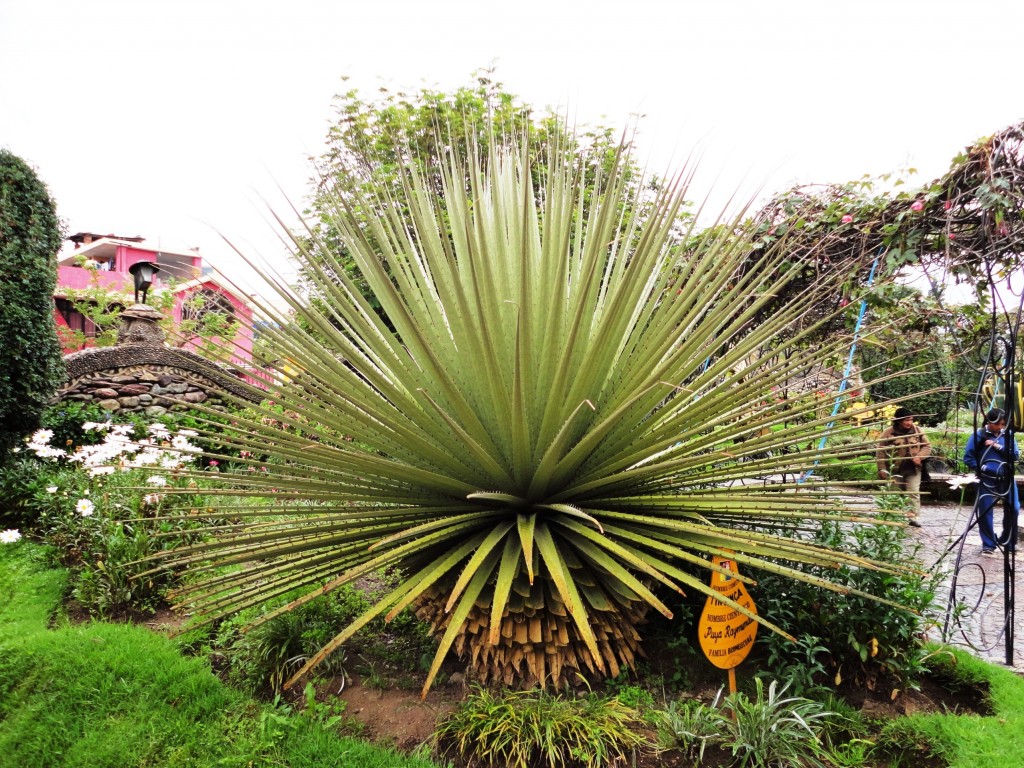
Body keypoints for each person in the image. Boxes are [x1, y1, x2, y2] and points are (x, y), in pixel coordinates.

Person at [963, 407, 1019, 556]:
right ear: (989, 421)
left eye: (1003, 424)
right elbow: (968, 458)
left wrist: (996, 445)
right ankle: (988, 544)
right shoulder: (978, 435)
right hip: (986, 479)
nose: (1001, 427)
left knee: (1014, 508)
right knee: (986, 510)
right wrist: (984, 468)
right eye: (998, 424)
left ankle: (1008, 540)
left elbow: (1015, 455)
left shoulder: (1007, 435)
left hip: (1006, 478)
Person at [876, 407, 931, 526]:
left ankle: (912, 517)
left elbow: (927, 446)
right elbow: (880, 451)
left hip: (913, 468)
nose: (909, 423)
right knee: (894, 492)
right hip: (895, 468)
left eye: (911, 420)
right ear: (899, 421)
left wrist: (920, 456)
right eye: (906, 420)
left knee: (913, 492)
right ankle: (893, 516)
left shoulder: (917, 431)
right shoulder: (888, 433)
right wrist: (881, 468)